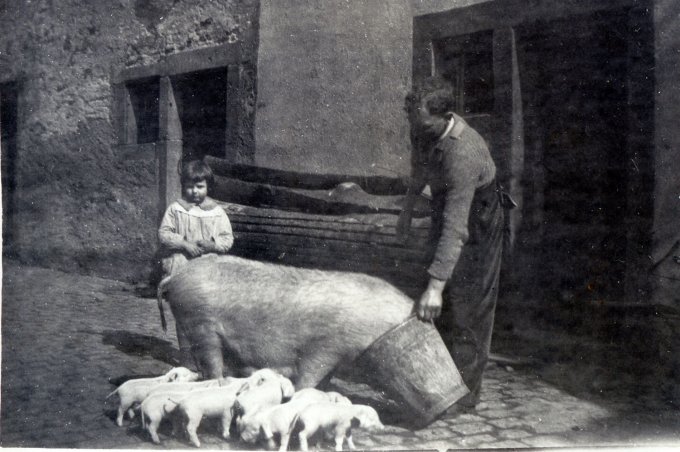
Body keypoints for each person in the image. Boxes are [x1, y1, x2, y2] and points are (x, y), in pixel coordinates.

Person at [398, 76, 506, 410]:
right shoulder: (425, 128)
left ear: (446, 117)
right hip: (448, 207)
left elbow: (456, 227)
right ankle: (440, 379)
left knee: (467, 306)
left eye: (425, 127)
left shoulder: (464, 152)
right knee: (440, 303)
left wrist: (435, 287)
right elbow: (421, 168)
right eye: (416, 125)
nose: (419, 132)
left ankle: (463, 396)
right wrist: (407, 210)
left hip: (479, 217)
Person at [158, 159, 234, 367]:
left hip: (207, 273)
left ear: (208, 187)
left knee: (206, 317)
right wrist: (184, 244)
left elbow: (227, 239)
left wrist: (212, 245)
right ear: (183, 186)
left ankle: (208, 358)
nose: (194, 192)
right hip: (182, 268)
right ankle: (186, 360)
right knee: (183, 315)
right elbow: (164, 234)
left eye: (199, 187)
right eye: (189, 186)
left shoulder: (216, 212)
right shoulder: (176, 210)